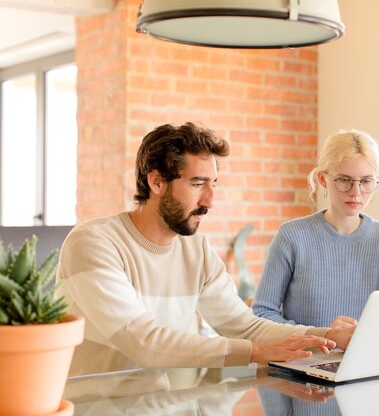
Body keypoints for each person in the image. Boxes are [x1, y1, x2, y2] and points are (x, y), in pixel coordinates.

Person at [56, 122, 353, 376]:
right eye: (198, 184)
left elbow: (243, 326)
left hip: (165, 404)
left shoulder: (195, 249)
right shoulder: (93, 243)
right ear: (157, 182)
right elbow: (144, 343)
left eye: (213, 184)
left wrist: (327, 336)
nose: (209, 201)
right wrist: (256, 352)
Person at [252, 129, 379, 328]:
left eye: (366, 181)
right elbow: (263, 313)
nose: (356, 192)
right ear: (323, 179)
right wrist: (323, 336)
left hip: (368, 358)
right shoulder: (291, 236)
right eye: (344, 180)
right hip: (307, 358)